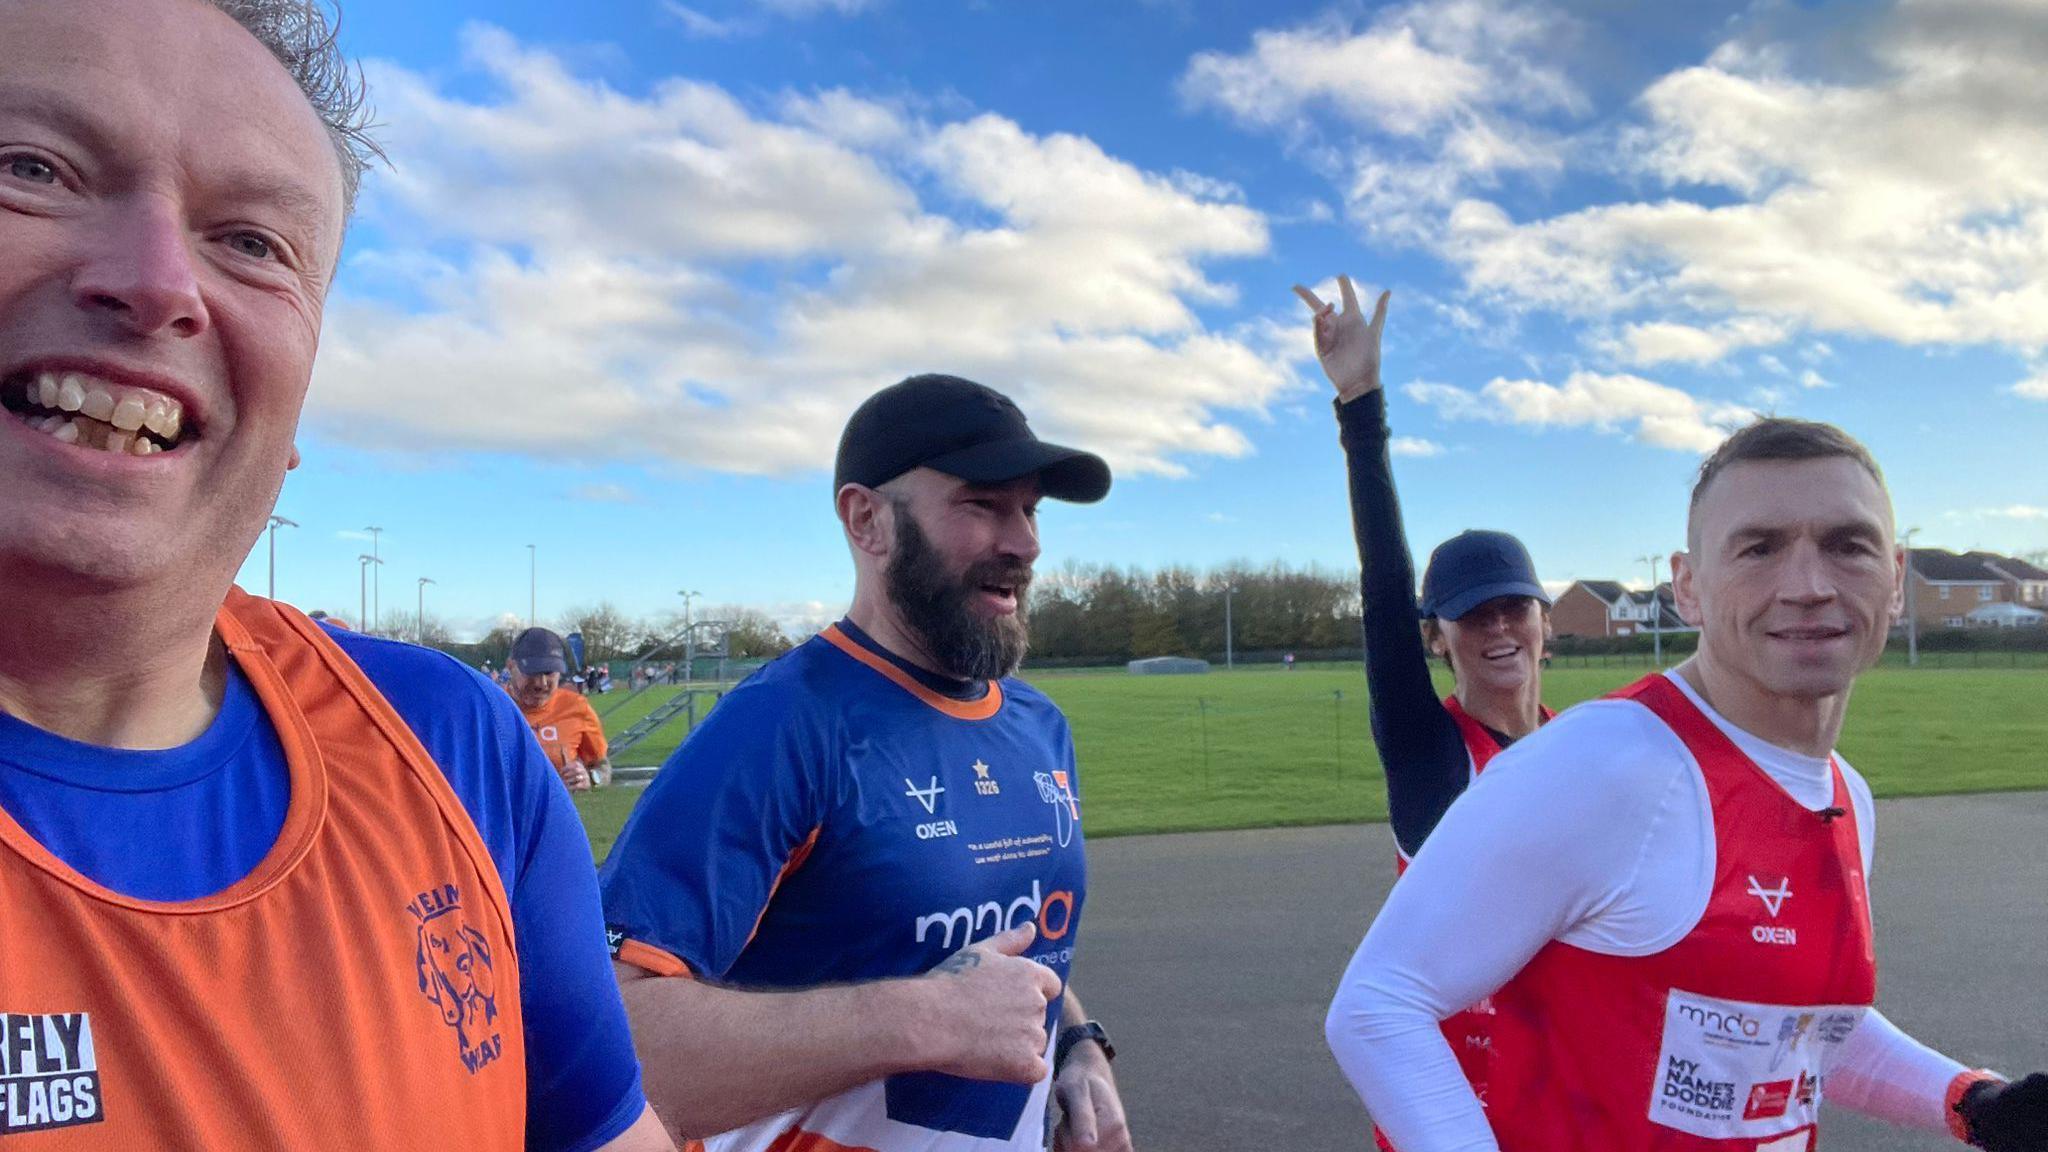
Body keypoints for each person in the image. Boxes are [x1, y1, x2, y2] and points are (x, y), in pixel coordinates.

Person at [0, 2, 667, 1147]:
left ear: (294, 411)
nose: (160, 285)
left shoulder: (453, 744)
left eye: (253, 242)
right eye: (34, 168)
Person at [1325, 418, 2048, 1150]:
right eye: (1759, 548)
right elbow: (1379, 1006)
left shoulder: (1846, 795)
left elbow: (1797, 1029)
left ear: (1895, 581)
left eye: (1846, 544)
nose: (1808, 585)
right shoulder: (1602, 762)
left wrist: (1976, 1102)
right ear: (1689, 587)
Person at [601, 374, 1133, 1152]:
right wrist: (923, 1020)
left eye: (1029, 509)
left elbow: (1005, 948)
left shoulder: (1037, 727)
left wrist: (1078, 1047)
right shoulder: (781, 725)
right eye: (983, 504)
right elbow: (606, 1039)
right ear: (867, 519)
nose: (1025, 542)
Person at [1296, 275, 1554, 1145]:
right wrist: (1361, 408)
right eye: (1470, 613)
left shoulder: (1586, 749)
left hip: (1569, 1080)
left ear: (1544, 619)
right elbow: (1380, 586)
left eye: (1513, 605)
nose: (1497, 627)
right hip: (1451, 1100)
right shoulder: (1429, 751)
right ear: (1436, 636)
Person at [508, 627, 613, 790]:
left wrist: (591, 778)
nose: (541, 683)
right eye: (532, 673)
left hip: (557, 813)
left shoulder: (577, 707)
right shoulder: (489, 706)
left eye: (549, 673)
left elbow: (602, 765)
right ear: (511, 666)